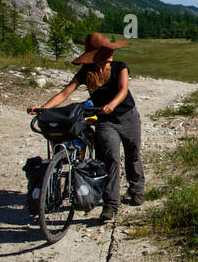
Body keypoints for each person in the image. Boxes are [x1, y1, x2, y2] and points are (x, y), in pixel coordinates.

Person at [27, 32, 144, 223]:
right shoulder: (85, 74)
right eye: (105, 52)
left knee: (133, 153)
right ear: (94, 57)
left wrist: (112, 104)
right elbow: (65, 93)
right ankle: (110, 205)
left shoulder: (119, 67)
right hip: (105, 121)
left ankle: (136, 189)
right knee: (111, 159)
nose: (110, 54)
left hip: (128, 116)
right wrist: (42, 108)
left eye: (110, 51)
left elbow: (123, 90)